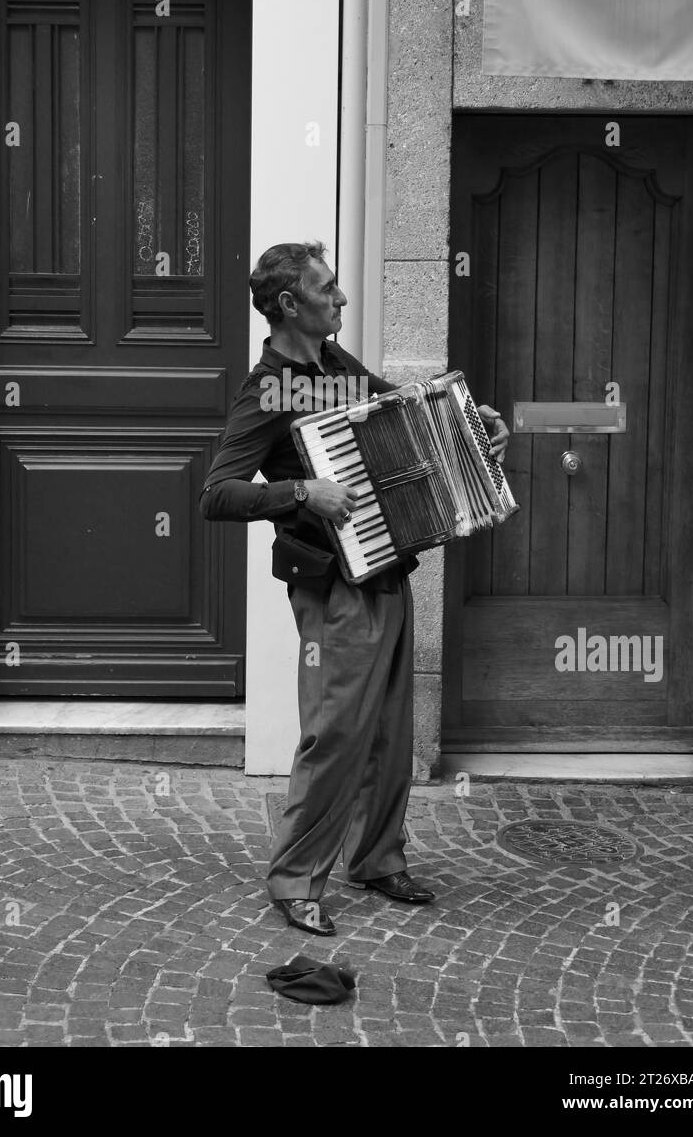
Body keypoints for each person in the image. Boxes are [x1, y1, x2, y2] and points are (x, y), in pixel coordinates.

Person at [199, 242, 508, 936]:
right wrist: (301, 490)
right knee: (336, 732)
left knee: (388, 731)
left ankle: (375, 858)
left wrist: (476, 433)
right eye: (327, 288)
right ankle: (295, 877)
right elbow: (216, 494)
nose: (340, 299)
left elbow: (409, 421)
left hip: (385, 567)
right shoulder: (268, 388)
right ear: (289, 305)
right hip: (330, 584)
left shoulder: (336, 370)